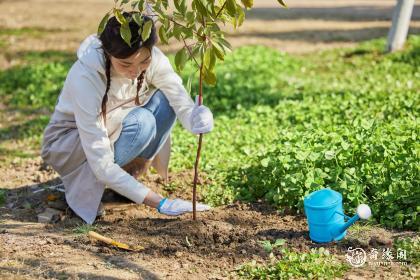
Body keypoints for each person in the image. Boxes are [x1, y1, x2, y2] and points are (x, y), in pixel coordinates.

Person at [40, 12, 213, 224]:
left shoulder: (153, 60)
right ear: (108, 53)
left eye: (144, 61)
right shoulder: (86, 77)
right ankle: (110, 184)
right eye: (125, 64)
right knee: (142, 122)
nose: (136, 71)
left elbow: (178, 98)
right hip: (71, 142)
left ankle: (127, 182)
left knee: (165, 101)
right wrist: (160, 203)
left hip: (116, 124)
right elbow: (101, 161)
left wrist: (195, 117)